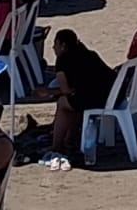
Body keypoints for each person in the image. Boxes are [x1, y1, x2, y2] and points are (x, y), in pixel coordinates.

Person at [40, 29, 116, 163]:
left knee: (64, 103)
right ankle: (70, 139)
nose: (53, 47)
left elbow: (65, 90)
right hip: (113, 95)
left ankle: (56, 146)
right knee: (74, 102)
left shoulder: (63, 60)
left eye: (55, 44)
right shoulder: (89, 54)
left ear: (63, 46)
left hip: (97, 98)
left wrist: (48, 92)